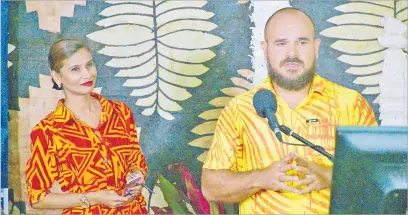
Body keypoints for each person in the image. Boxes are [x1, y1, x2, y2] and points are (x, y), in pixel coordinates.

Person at [201, 7, 377, 214]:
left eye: (302, 42)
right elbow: (210, 187)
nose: (292, 54)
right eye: (281, 43)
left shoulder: (351, 104)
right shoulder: (240, 109)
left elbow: (379, 178)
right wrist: (263, 177)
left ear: (316, 47)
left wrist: (328, 175)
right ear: (265, 50)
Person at [25, 38, 148, 214]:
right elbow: (37, 197)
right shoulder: (47, 131)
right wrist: (93, 198)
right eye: (75, 69)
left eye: (89, 65)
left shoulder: (120, 112)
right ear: (57, 76)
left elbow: (136, 160)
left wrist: (137, 177)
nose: (87, 74)